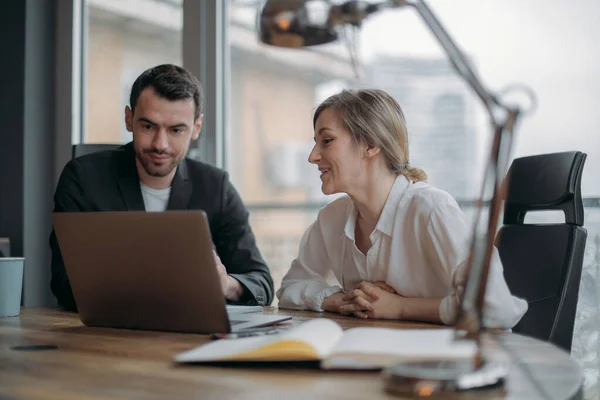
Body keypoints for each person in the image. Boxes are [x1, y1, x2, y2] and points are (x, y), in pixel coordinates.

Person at [276, 88, 527, 328]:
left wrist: (400, 307)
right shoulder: (332, 218)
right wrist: (337, 300)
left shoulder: (431, 210)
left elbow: (496, 308)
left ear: (371, 144)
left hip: (450, 362)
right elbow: (291, 287)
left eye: (327, 140)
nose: (312, 156)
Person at [50, 64, 273, 311]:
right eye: (148, 126)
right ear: (129, 119)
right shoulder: (83, 178)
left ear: (196, 128)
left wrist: (226, 285)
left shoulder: (216, 187)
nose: (161, 144)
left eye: (176, 130)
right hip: (106, 334)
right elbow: (63, 281)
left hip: (190, 336)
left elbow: (261, 284)